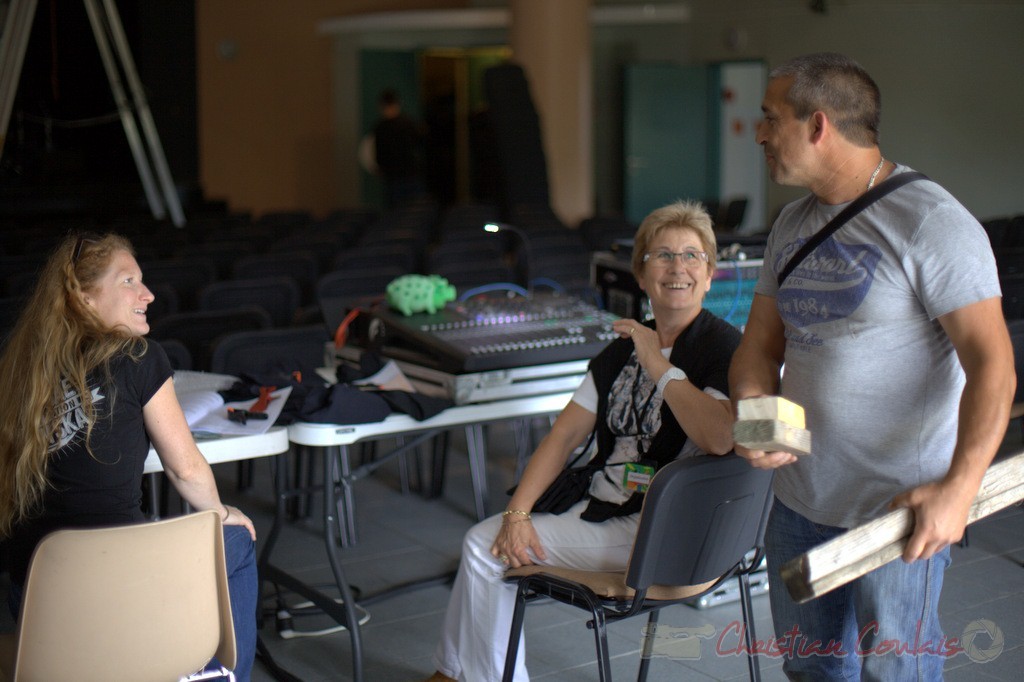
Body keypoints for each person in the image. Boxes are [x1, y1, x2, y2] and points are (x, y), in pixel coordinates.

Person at [728, 52, 1015, 680]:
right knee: (812, 672)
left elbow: (993, 366)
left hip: (896, 512)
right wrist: (756, 414)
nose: (761, 133)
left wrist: (959, 491)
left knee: (898, 674)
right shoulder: (791, 223)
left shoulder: (932, 223)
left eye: (769, 118)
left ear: (818, 125)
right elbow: (759, 346)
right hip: (800, 502)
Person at [427, 200, 742, 681]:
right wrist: (518, 513)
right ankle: (453, 673)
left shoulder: (723, 348)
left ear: (710, 272)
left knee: (480, 549)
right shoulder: (619, 352)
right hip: (606, 507)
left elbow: (719, 438)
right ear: (640, 275)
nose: (678, 267)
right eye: (662, 255)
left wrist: (656, 362)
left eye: (692, 256)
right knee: (493, 539)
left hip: (660, 529)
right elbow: (562, 437)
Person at [0, 233, 259, 681]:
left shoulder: (18, 371)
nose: (148, 293)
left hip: (39, 605)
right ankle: (217, 675)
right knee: (237, 542)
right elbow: (185, 468)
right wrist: (221, 512)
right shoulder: (138, 356)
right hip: (122, 589)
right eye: (128, 281)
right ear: (83, 298)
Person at [373, 88, 424, 208]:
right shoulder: (408, 123)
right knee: (413, 212)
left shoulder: (381, 127)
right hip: (405, 175)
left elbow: (379, 155)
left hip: (399, 177)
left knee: (402, 214)